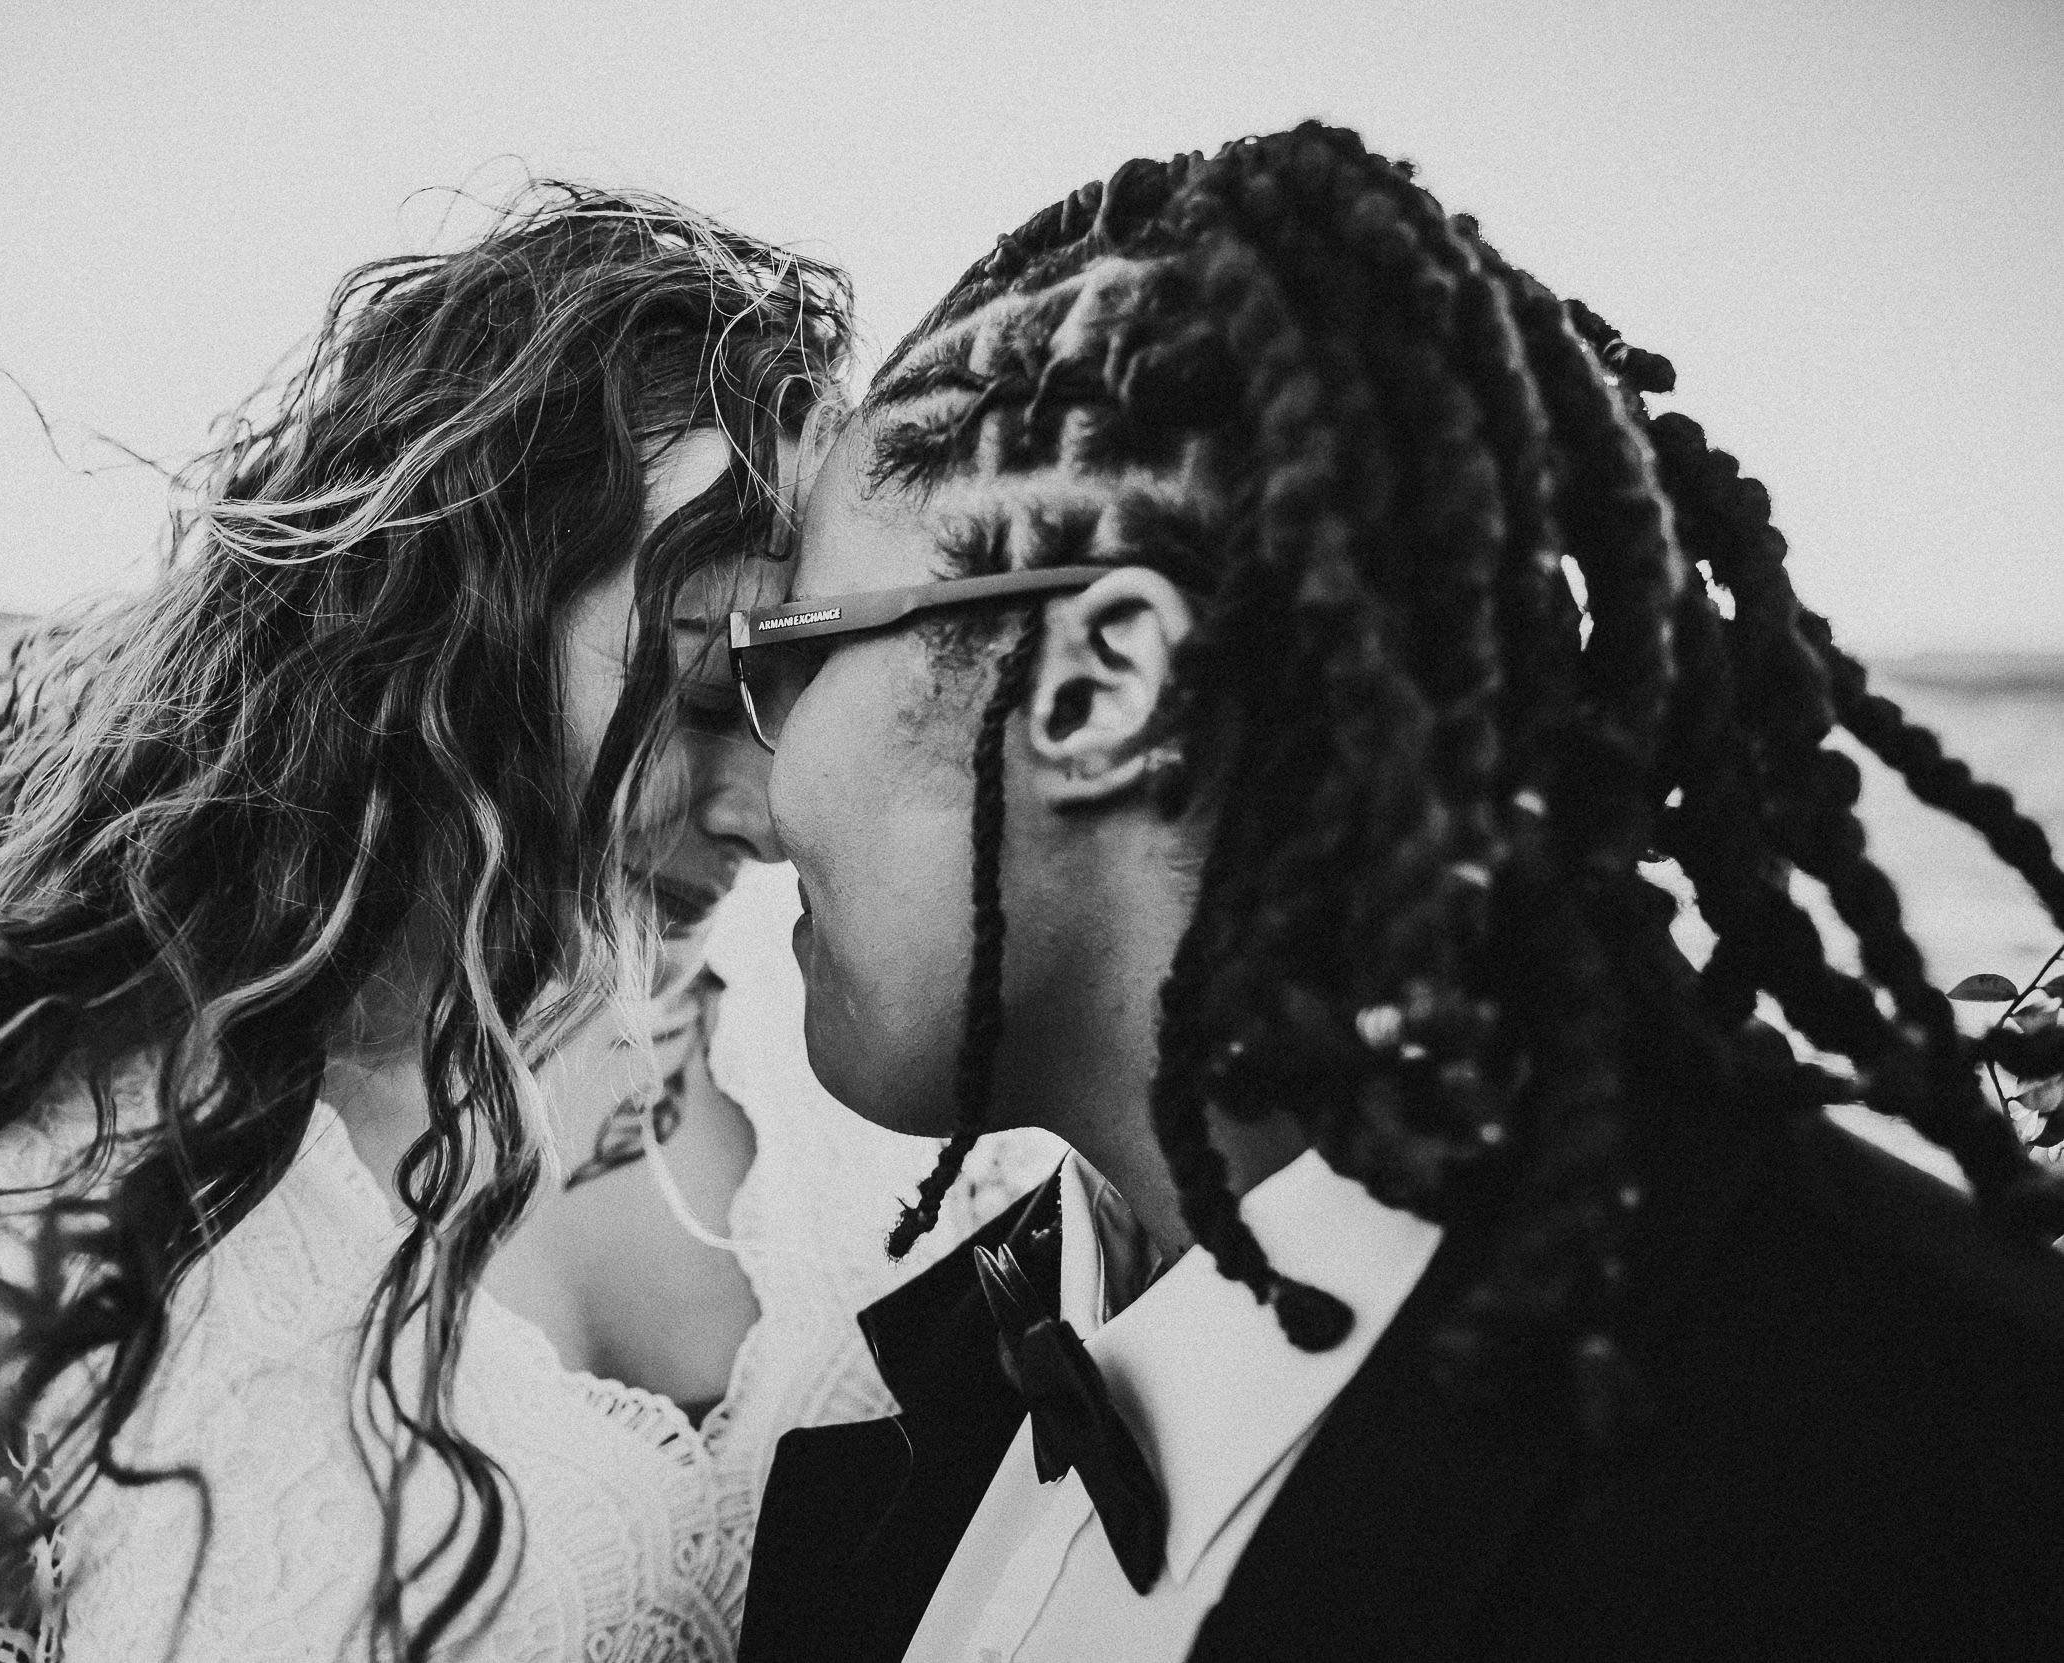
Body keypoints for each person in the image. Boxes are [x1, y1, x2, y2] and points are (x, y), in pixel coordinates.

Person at [0, 187, 1030, 1663]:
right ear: (429, 651)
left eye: (805, 695)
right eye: (707, 697)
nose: (774, 813)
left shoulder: (875, 1074)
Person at [735, 126, 2064, 1663]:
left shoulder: (1924, 1467)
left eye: (788, 657)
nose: (756, 791)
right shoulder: (929, 1419)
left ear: (1097, 686)